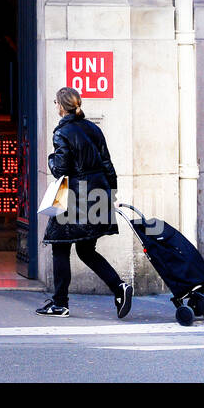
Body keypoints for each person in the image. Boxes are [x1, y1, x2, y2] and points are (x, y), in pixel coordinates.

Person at [37, 87, 132, 318]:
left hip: (75, 197)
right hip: (98, 192)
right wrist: (112, 194)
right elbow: (108, 163)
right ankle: (119, 287)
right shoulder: (93, 128)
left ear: (60, 106)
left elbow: (61, 169)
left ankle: (60, 303)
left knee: (60, 247)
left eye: (55, 103)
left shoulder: (62, 132)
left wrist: (50, 159)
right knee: (86, 250)